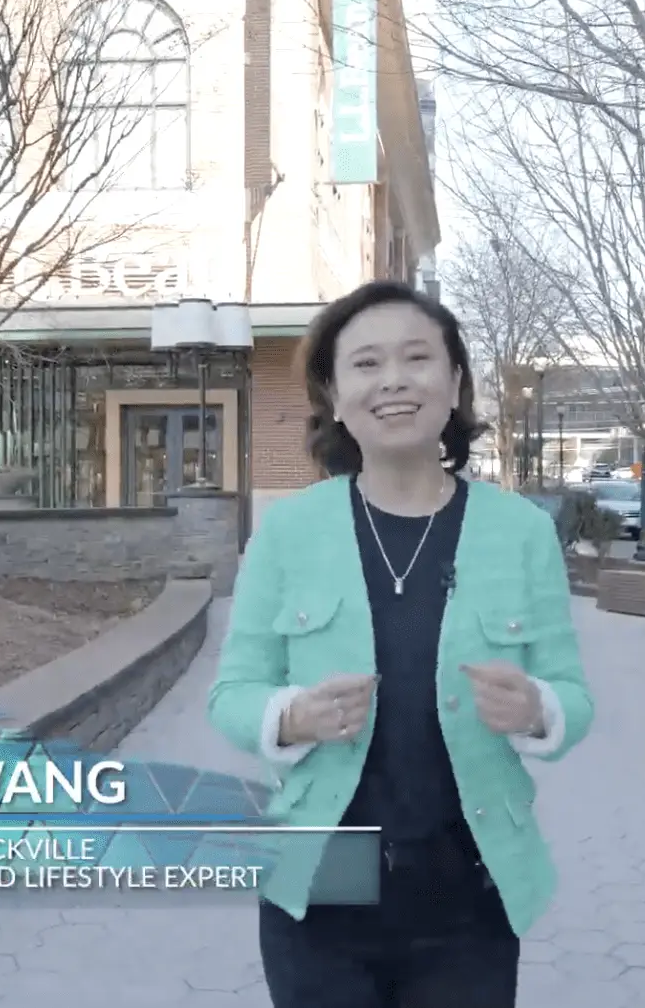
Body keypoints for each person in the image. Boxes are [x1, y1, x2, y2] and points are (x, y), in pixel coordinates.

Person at [207, 280, 595, 1007]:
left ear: (453, 384)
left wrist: (539, 710)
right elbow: (232, 694)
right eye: (365, 364)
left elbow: (574, 695)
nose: (393, 380)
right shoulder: (288, 533)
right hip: (320, 888)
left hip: (469, 892)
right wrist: (291, 717)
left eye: (417, 358)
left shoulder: (522, 533)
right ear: (334, 393)